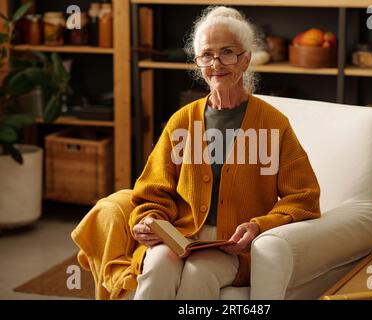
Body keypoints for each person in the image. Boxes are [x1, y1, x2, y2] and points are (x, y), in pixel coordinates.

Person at [129, 6, 321, 300]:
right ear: (198, 63)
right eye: (207, 54)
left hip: (235, 247)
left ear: (245, 60)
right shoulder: (181, 121)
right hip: (181, 236)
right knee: (156, 268)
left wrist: (259, 226)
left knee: (198, 273)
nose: (216, 63)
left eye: (227, 52)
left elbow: (304, 197)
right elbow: (152, 192)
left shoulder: (273, 124)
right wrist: (148, 221)